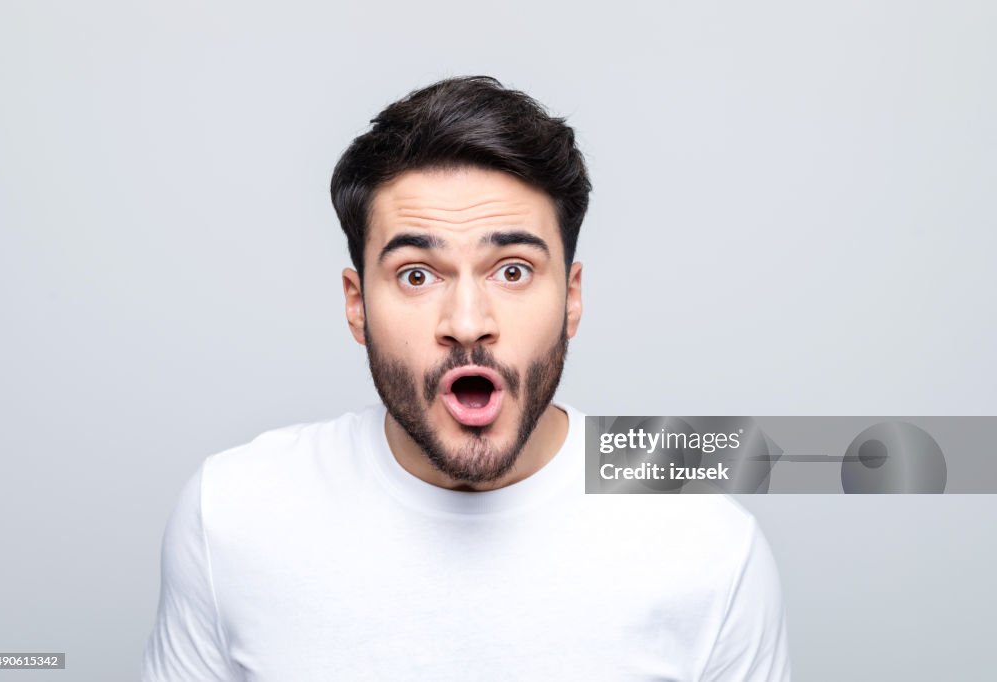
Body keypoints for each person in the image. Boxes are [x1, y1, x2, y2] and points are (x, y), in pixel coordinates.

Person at [142, 76, 791, 681]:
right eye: (416, 275)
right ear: (356, 304)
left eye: (512, 271)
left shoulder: (708, 547)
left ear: (571, 298)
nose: (467, 322)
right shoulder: (230, 516)